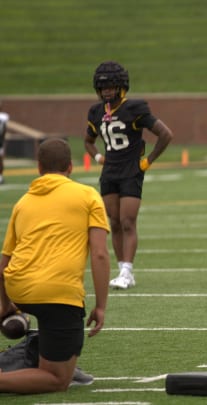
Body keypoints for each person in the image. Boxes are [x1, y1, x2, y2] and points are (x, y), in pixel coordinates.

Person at [0, 138, 110, 394]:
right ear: (70, 167)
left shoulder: (23, 203)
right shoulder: (87, 195)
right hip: (57, 294)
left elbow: (3, 264)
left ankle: (37, 352)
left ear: (39, 168)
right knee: (58, 379)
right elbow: (100, 254)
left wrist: (5, 306)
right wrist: (101, 306)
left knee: (51, 331)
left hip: (19, 289)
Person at [84, 61, 174, 290]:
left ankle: (127, 270)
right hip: (109, 171)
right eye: (103, 87)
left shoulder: (134, 108)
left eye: (111, 87)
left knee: (127, 221)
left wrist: (149, 160)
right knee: (114, 222)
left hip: (131, 170)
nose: (106, 91)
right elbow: (88, 141)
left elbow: (165, 134)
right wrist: (97, 157)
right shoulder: (96, 112)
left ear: (121, 87)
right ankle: (123, 268)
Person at [0, 100, 8, 184]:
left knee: (1, 160)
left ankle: (1, 176)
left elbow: (4, 129)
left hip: (0, 141)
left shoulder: (4, 116)